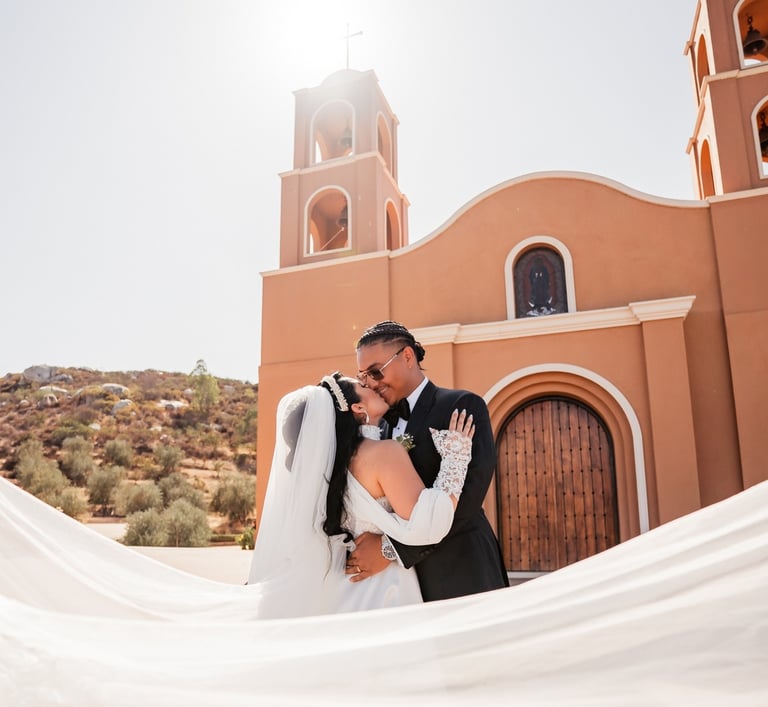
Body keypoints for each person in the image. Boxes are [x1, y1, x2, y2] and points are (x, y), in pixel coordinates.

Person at [247, 372, 475, 616]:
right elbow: (426, 523)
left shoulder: (327, 469)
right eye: (363, 385)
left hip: (338, 588)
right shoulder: (384, 453)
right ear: (357, 407)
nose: (372, 384)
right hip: (384, 590)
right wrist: (456, 457)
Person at [349, 320, 509, 601]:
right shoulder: (380, 426)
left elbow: (470, 494)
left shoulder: (461, 405)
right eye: (363, 378)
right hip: (402, 586)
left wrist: (392, 549)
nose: (371, 383)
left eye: (375, 371)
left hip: (461, 570)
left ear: (407, 357)